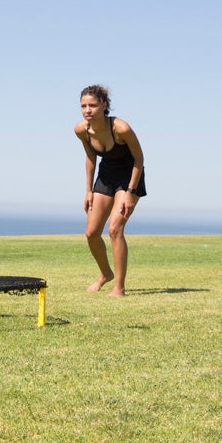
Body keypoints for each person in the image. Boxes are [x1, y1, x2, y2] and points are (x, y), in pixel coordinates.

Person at [75, 84, 146, 297]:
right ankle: (106, 274)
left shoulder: (121, 128)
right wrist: (88, 190)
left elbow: (139, 159)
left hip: (129, 176)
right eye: (83, 106)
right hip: (105, 177)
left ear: (104, 105)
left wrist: (131, 193)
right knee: (91, 233)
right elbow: (90, 157)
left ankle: (119, 288)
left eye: (93, 105)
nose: (88, 110)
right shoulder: (82, 130)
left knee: (115, 229)